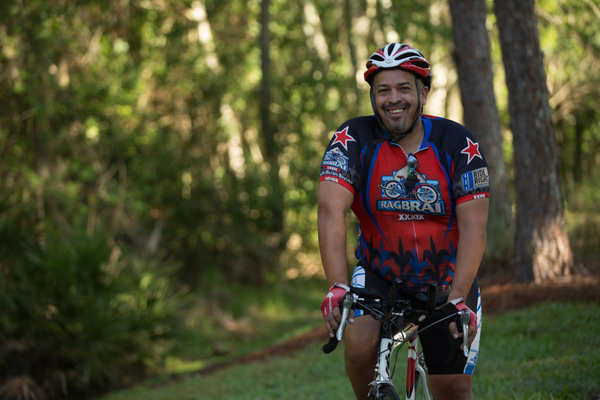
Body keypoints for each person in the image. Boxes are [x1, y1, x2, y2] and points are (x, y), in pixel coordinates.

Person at [318, 42, 489, 400]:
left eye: (403, 88)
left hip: (445, 279)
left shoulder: (457, 143)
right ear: (373, 97)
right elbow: (331, 211)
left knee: (453, 390)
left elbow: (474, 226)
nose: (393, 99)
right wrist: (336, 284)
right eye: (383, 90)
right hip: (380, 272)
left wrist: (459, 298)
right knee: (359, 344)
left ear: (423, 92)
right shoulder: (352, 140)